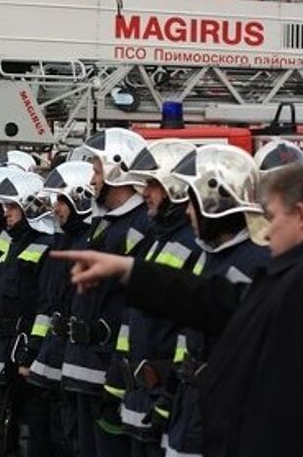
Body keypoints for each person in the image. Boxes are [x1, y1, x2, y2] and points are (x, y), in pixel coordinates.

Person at [53, 163, 303, 457]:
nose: (268, 231)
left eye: (274, 217)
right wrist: (128, 270)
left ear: (301, 215)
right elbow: (217, 300)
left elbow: (292, 405)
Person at [157, 145, 271, 457]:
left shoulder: (255, 265)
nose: (186, 212)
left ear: (215, 201)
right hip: (190, 408)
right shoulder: (211, 258)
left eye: (192, 203)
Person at [62, 128, 150, 457]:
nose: (92, 179)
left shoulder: (139, 228)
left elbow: (136, 307)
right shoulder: (106, 224)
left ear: (118, 169)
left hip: (109, 370)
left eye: (97, 170)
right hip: (86, 363)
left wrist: (119, 366)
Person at [112, 138, 199, 457]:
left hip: (162, 395)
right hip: (140, 395)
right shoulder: (157, 239)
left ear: (175, 187)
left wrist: (170, 393)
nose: (144, 192)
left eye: (152, 184)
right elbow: (132, 313)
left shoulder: (192, 243)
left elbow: (188, 331)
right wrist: (118, 371)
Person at [0, 172, 55, 457]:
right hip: (2, 342)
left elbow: (44, 306)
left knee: (25, 422)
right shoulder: (12, 241)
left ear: (29, 208)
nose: (6, 214)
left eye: (12, 208)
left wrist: (31, 351)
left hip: (23, 347)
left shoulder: (45, 246)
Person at [27, 161, 95, 457]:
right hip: (54, 349)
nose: (55, 209)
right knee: (50, 424)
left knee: (72, 432)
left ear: (81, 200)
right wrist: (34, 348)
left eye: (62, 202)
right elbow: (47, 302)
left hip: (76, 352)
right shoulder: (62, 243)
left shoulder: (89, 244)